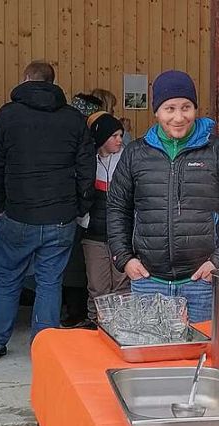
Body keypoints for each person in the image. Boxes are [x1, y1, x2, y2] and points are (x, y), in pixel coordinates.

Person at [107, 70, 219, 322]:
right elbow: (117, 208)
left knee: (200, 357)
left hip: (201, 282)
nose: (178, 117)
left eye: (186, 107)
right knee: (152, 358)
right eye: (169, 108)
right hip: (148, 281)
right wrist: (125, 259)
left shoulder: (218, 153)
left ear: (195, 108)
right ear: (156, 112)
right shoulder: (135, 154)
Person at [0, 61, 95, 361]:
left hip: (18, 212)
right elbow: (87, 167)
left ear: (26, 79)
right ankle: (45, 347)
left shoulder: (8, 115)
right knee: (49, 281)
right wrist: (80, 205)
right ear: (52, 82)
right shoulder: (72, 118)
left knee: (8, 278)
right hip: (60, 216)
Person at [80, 112, 130, 324]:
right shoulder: (87, 163)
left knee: (122, 286)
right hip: (94, 234)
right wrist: (83, 220)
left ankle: (122, 327)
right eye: (114, 136)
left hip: (122, 235)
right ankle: (96, 325)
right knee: (98, 286)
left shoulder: (128, 160)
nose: (120, 140)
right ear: (101, 138)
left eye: (121, 135)